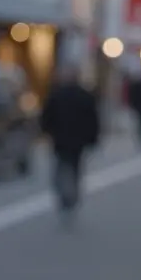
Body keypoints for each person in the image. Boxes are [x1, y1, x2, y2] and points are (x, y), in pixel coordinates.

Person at [40, 64, 100, 225]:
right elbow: (93, 119)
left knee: (62, 167)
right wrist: (93, 138)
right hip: (76, 140)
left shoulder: (57, 95)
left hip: (61, 139)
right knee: (74, 168)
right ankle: (71, 194)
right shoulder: (84, 95)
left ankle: (66, 195)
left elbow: (46, 117)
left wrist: (47, 132)